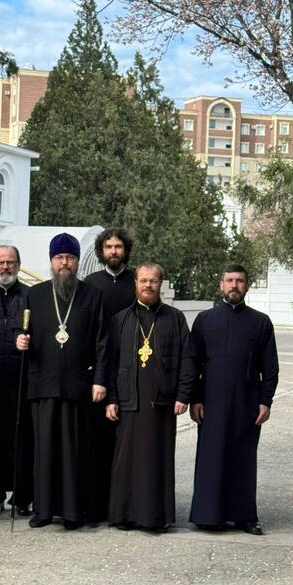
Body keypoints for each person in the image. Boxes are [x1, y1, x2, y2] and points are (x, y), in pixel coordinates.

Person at [16, 232, 107, 530]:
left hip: (78, 385)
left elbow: (102, 342)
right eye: (59, 258)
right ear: (51, 261)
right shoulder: (35, 294)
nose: (64, 263)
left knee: (74, 450)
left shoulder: (92, 295)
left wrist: (100, 380)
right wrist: (19, 341)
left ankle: (73, 511)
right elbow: (21, 331)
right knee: (44, 450)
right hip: (43, 384)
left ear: (77, 262)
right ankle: (43, 510)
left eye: (69, 258)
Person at [189, 264, 279, 535]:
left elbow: (270, 367)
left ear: (246, 286)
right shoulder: (204, 320)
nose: (234, 285)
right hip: (212, 401)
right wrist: (195, 398)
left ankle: (245, 517)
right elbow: (193, 363)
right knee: (212, 457)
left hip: (247, 401)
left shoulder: (261, 322)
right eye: (229, 280)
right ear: (221, 285)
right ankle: (208, 516)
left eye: (239, 281)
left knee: (243, 458)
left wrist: (266, 401)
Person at [106, 263, 195, 532]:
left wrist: (183, 394)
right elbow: (110, 363)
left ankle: (155, 518)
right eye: (143, 280)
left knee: (157, 459)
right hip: (129, 401)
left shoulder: (175, 318)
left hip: (161, 402)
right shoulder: (120, 319)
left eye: (153, 281)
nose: (148, 285)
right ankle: (124, 515)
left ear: (160, 284)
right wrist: (111, 399)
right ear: (135, 284)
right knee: (127, 460)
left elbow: (188, 359)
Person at [84, 227, 136, 520]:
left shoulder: (137, 281)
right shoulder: (91, 283)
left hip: (132, 369)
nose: (113, 251)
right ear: (101, 251)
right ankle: (97, 505)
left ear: (125, 250)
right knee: (98, 441)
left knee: (127, 443)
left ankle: (125, 505)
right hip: (99, 371)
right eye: (108, 247)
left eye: (118, 246)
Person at [0, 245, 33, 516]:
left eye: (10, 262)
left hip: (21, 379)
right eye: (0, 262)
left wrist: (29, 341)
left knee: (23, 439)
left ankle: (22, 497)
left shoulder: (31, 296)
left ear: (18, 265)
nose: (5, 267)